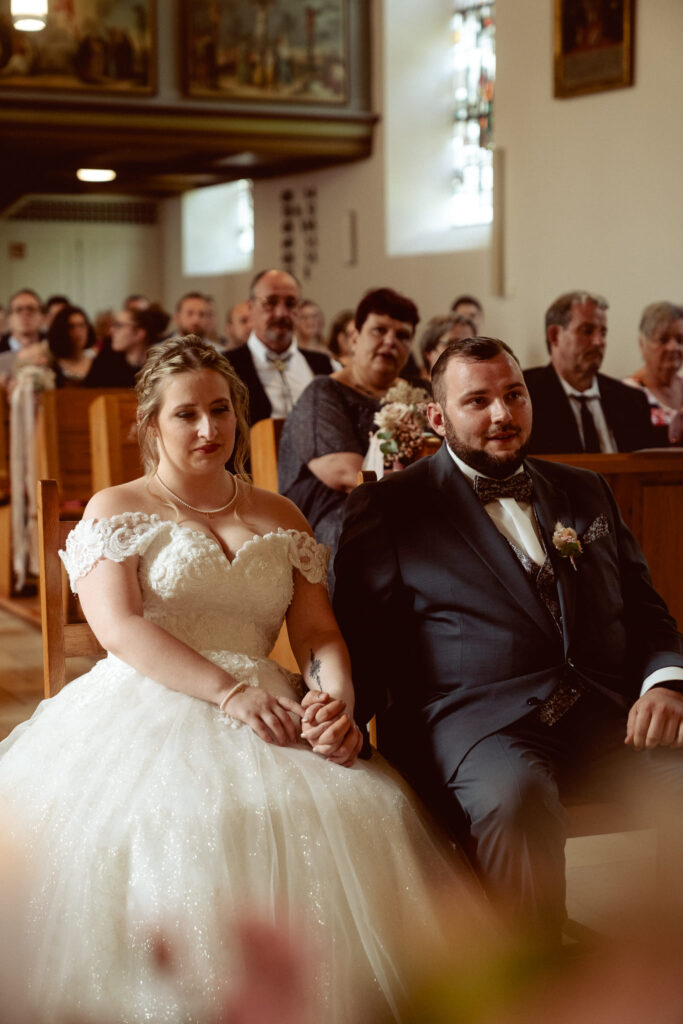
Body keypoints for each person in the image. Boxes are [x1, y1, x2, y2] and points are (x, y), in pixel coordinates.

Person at [0, 336, 486, 1023]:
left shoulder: (280, 514)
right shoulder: (116, 508)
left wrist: (331, 703)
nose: (209, 429)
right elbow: (120, 628)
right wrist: (229, 693)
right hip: (152, 699)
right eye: (185, 415)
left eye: (221, 410)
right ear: (150, 424)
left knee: (356, 806)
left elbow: (316, 634)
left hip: (273, 701)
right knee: (186, 824)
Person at [334, 335, 683, 945]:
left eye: (514, 395)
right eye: (478, 401)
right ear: (438, 418)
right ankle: (534, 970)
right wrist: (348, 723)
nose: (502, 415)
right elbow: (362, 637)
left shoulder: (585, 490)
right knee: (517, 800)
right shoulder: (390, 507)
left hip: (610, 715)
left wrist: (667, 684)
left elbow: (647, 611)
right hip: (479, 724)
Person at [278, 287, 418, 573]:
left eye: (402, 336)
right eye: (379, 330)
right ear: (354, 338)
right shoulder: (325, 392)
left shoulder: (418, 395)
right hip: (334, 515)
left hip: (405, 502)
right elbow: (348, 475)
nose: (390, 342)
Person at [524, 290, 664, 453]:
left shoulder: (631, 401)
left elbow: (646, 471)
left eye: (603, 332)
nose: (599, 341)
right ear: (554, 335)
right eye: (587, 331)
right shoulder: (527, 397)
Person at [227, 269, 333, 425]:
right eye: (270, 302)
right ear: (250, 308)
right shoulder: (226, 366)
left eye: (291, 304)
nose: (281, 313)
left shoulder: (323, 365)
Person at [623, 301, 683, 443]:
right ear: (642, 344)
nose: (673, 347)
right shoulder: (626, 393)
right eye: (663, 340)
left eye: (680, 340)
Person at [86, 303, 169, 388]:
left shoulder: (159, 367)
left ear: (139, 333)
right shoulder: (105, 359)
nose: (111, 331)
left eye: (118, 325)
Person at [47, 304, 97, 385]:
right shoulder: (52, 366)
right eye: (71, 327)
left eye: (82, 326)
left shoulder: (96, 362)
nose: (78, 332)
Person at [419, 313, 476, 378]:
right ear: (428, 353)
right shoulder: (410, 387)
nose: (463, 350)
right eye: (452, 343)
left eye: (469, 343)